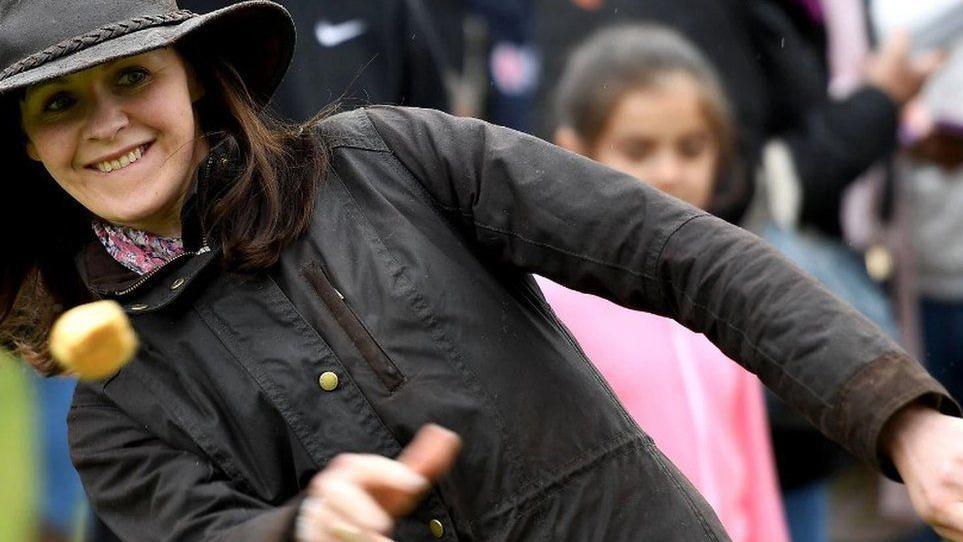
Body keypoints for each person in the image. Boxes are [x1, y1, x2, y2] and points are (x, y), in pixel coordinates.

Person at [3, 1, 963, 541]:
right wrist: (301, 532)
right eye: (59, 105)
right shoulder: (110, 408)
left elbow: (686, 255)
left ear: (198, 79)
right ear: (28, 149)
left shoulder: (392, 156)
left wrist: (903, 423)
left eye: (132, 78)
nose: (108, 125)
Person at [541, 24, 788, 542]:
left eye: (691, 148)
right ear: (572, 152)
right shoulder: (550, 303)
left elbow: (755, 475)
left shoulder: (728, 292)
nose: (669, 172)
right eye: (639, 149)